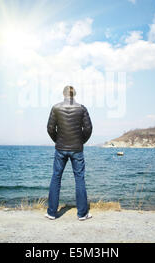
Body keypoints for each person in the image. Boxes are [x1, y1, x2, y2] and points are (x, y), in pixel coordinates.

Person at [45, 85, 93, 221]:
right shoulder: (82, 108)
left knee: (56, 178)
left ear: (63, 94)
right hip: (77, 149)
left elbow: (50, 128)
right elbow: (88, 128)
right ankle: (82, 214)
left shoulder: (55, 108)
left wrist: (58, 140)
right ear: (74, 94)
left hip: (60, 148)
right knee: (79, 179)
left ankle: (51, 213)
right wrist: (80, 141)